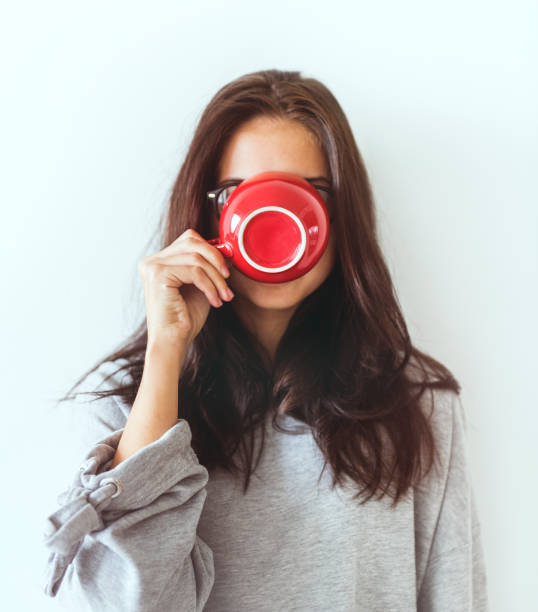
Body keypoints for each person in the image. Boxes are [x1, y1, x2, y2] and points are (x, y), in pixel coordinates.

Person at [42, 69, 489, 611]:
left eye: (311, 193)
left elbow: (453, 597)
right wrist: (166, 351)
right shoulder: (125, 402)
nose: (276, 216)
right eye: (240, 194)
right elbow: (125, 603)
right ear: (208, 212)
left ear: (342, 214)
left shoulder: (416, 402)